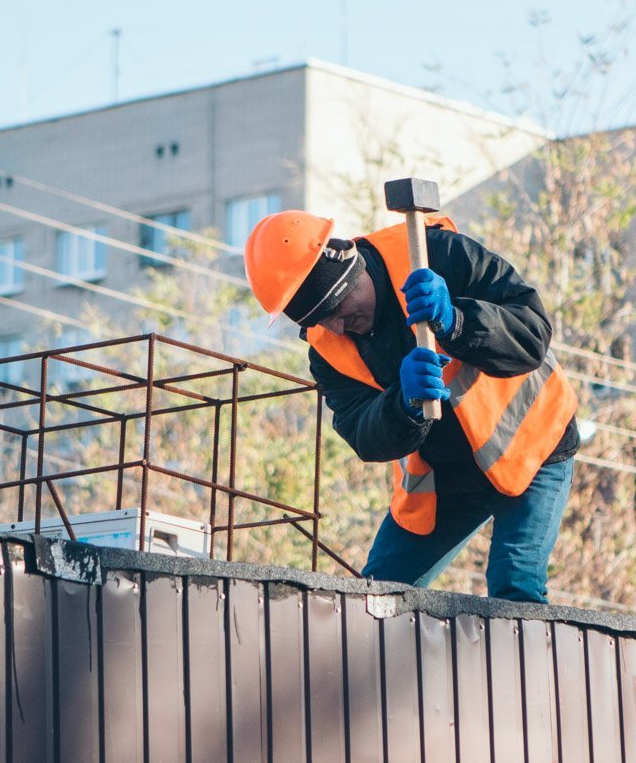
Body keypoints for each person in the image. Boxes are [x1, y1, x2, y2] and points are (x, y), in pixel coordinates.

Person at [244, 210, 579, 603]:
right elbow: (362, 433)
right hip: (445, 478)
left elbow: (532, 334)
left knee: (515, 586)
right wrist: (403, 407)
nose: (338, 328)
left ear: (353, 266)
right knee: (376, 597)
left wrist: (457, 322)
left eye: (339, 310)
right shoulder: (327, 350)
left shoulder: (436, 253)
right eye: (322, 321)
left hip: (531, 444)